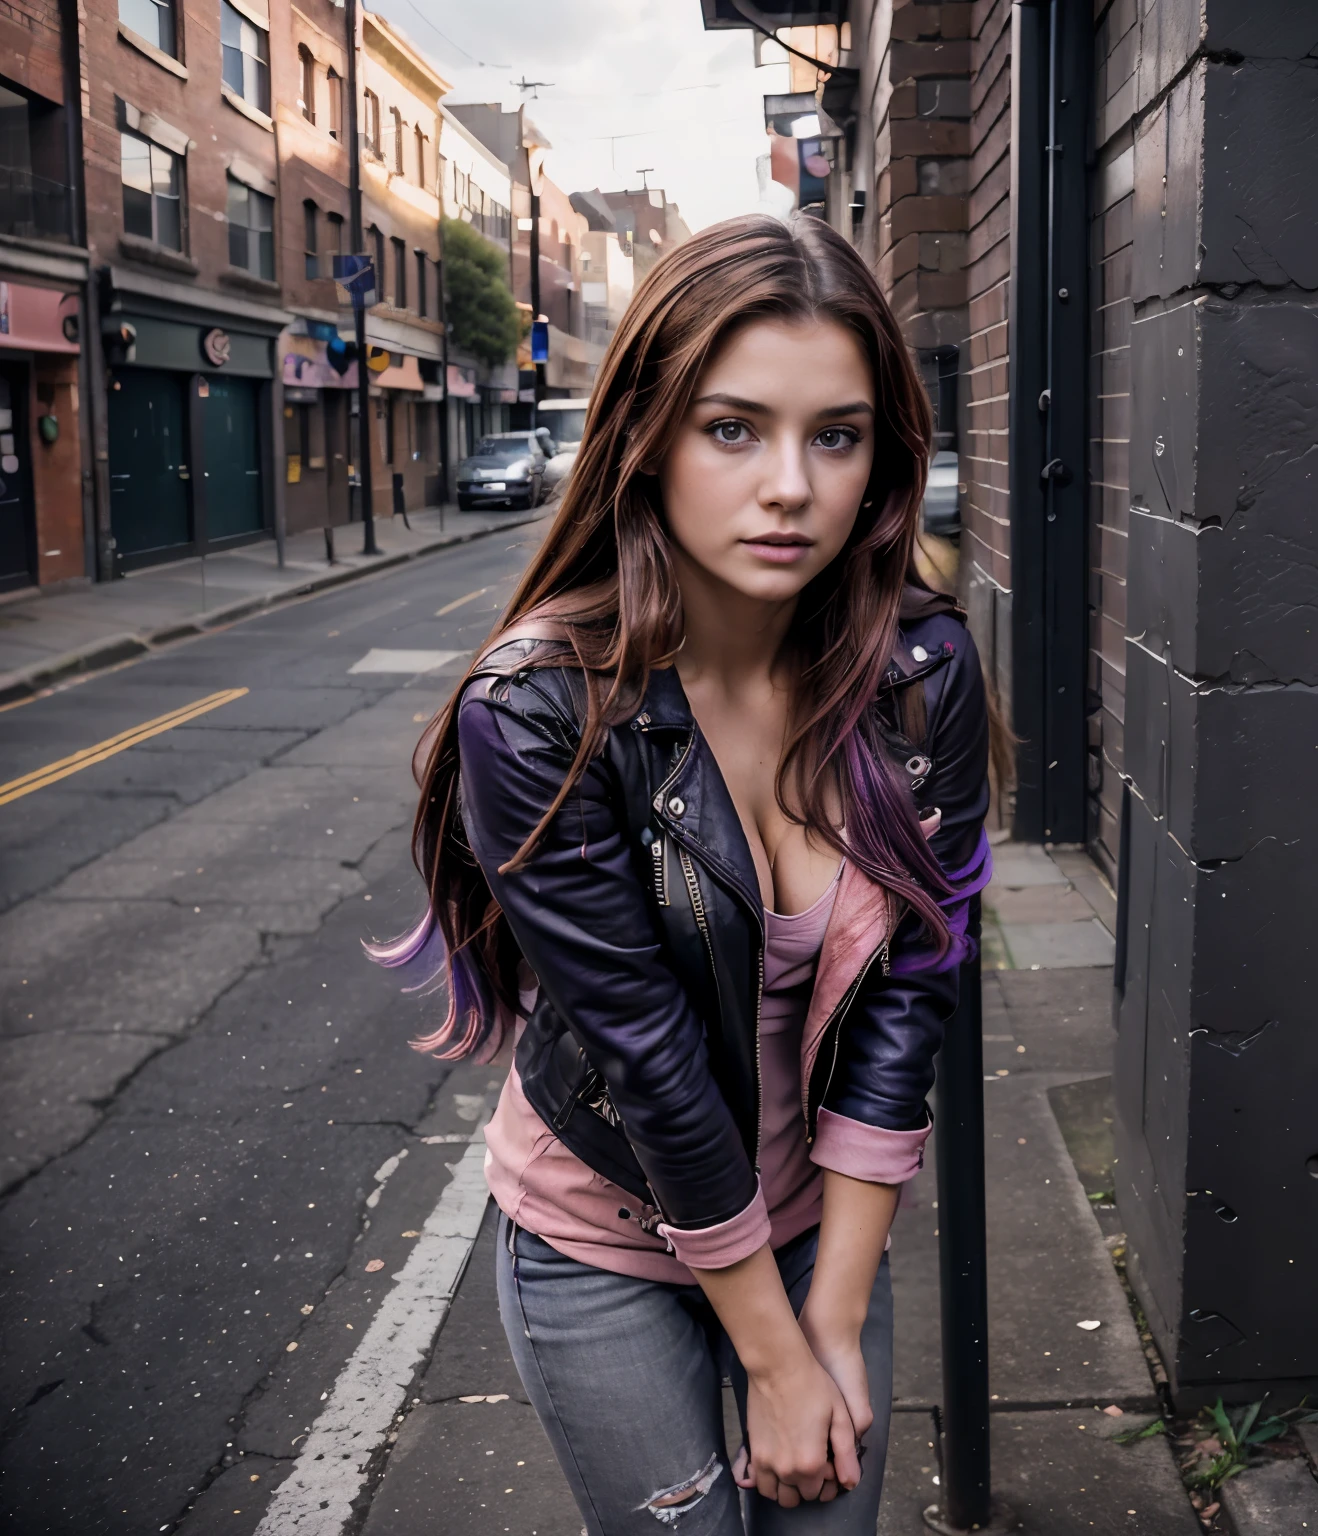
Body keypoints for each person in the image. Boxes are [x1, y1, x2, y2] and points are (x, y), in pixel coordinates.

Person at [373, 213, 993, 1535]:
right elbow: (648, 1060)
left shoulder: (920, 673)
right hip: (607, 1239)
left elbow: (914, 995)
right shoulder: (540, 714)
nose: (790, 486)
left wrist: (825, 1324)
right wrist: (770, 1360)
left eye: (836, 434)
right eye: (733, 429)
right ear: (646, 437)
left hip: (823, 1221)